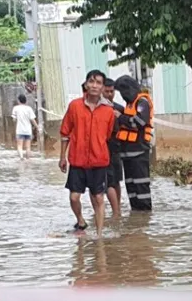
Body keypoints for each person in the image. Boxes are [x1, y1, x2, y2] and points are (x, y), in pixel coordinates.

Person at [60, 70, 115, 235]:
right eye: (91, 81)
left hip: (99, 161)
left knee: (99, 198)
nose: (94, 86)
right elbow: (65, 132)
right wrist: (62, 157)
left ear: (103, 87)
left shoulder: (108, 111)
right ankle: (81, 220)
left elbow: (107, 135)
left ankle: (99, 236)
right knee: (74, 197)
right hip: (77, 160)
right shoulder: (75, 106)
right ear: (86, 84)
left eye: (98, 83)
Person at [113, 75, 153, 211]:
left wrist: (121, 117)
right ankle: (136, 217)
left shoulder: (142, 102)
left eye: (123, 91)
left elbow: (139, 122)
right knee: (131, 186)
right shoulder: (129, 104)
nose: (122, 95)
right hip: (127, 153)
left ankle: (145, 216)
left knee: (141, 186)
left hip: (139, 152)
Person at [102, 78, 122, 216]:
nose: (109, 94)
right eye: (107, 91)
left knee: (116, 181)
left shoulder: (119, 109)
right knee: (109, 182)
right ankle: (116, 212)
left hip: (116, 149)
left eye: (112, 91)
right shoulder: (98, 109)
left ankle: (117, 211)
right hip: (103, 150)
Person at [11, 94, 37, 159]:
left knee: (19, 146)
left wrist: (16, 119)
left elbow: (14, 119)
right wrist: (37, 127)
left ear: (19, 101)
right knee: (28, 147)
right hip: (28, 131)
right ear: (25, 101)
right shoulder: (29, 108)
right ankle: (28, 159)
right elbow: (32, 120)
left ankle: (21, 157)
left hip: (20, 130)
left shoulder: (15, 108)